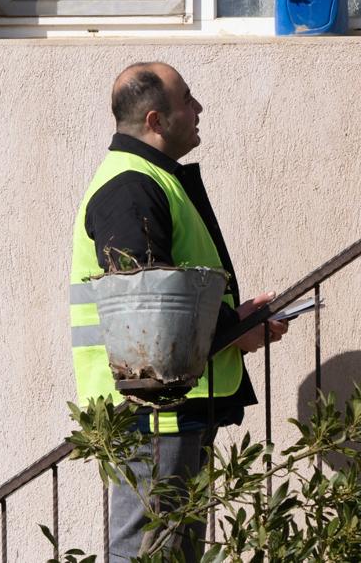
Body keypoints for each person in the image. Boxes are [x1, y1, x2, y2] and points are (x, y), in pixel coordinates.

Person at [69, 62, 288, 563]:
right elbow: (149, 324)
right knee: (148, 550)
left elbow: (165, 298)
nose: (198, 109)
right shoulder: (131, 188)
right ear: (155, 120)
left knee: (173, 549)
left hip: (168, 408)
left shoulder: (149, 181)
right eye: (187, 100)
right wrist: (237, 334)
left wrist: (240, 322)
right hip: (154, 410)